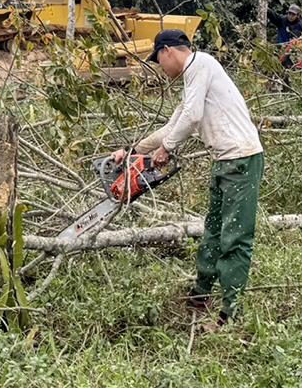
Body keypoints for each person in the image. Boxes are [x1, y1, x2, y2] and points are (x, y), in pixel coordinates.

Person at [112, 29, 264, 332]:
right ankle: (201, 294)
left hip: (242, 159)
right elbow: (173, 125)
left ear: (167, 51)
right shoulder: (193, 80)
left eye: (158, 60)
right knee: (214, 231)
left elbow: (191, 117)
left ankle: (228, 316)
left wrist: (166, 150)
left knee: (235, 238)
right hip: (224, 160)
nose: (161, 67)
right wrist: (132, 151)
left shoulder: (201, 64)